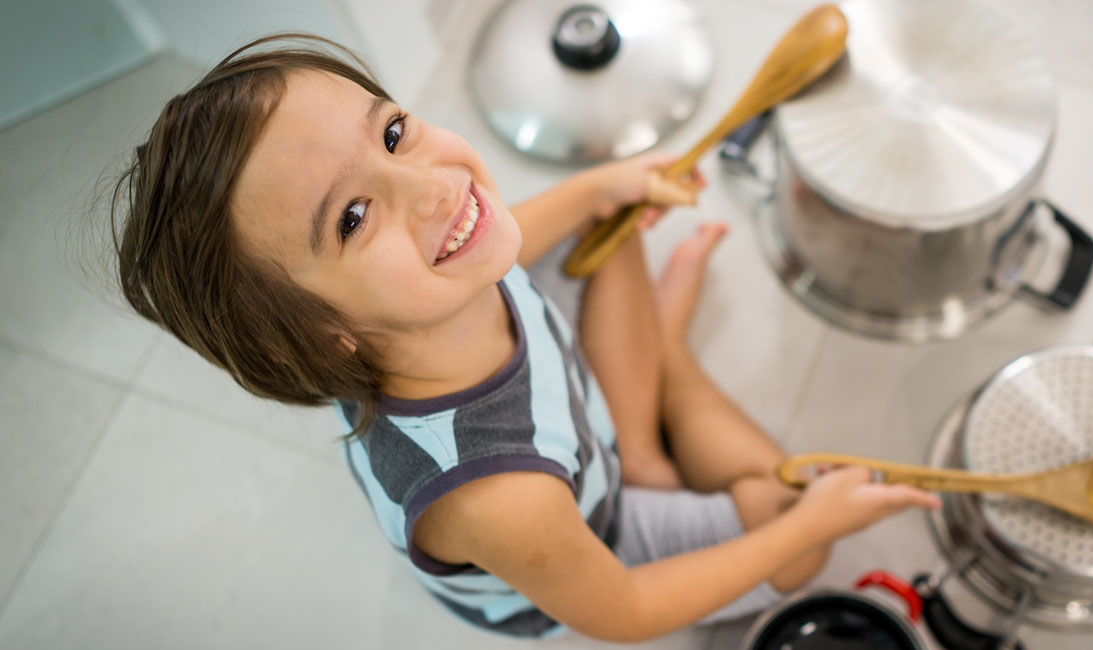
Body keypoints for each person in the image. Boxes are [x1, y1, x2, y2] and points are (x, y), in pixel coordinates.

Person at [109, 33, 938, 641]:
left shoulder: (421, 288)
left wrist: (598, 189)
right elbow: (624, 611)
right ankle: (664, 389)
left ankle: (645, 429)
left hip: (571, 420)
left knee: (603, 229)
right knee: (792, 542)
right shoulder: (498, 497)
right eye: (355, 218)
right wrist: (802, 528)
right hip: (592, 527)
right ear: (327, 336)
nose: (431, 187)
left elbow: (517, 236)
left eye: (392, 133)